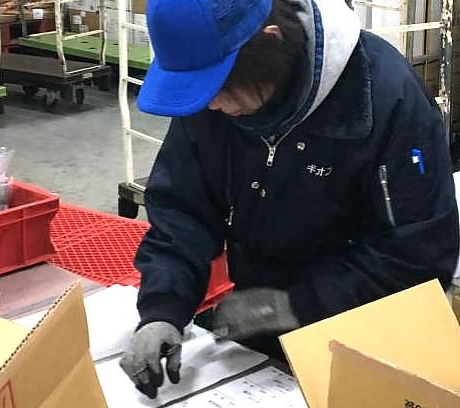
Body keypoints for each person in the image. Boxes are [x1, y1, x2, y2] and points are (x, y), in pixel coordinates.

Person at [120, 0, 460, 399]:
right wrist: (162, 309)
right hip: (258, 334)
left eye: (218, 87)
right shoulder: (216, 89)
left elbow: (417, 257)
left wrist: (296, 305)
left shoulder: (385, 97)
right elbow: (183, 211)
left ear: (272, 41)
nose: (210, 104)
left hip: (364, 340)